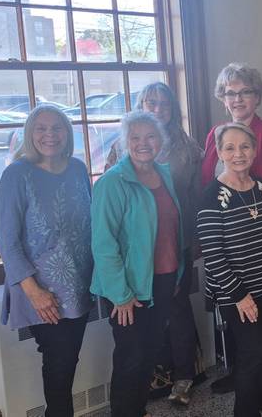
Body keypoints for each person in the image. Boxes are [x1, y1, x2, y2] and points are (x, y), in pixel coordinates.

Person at [104, 82, 203, 405]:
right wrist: (119, 290)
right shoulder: (117, 166)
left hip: (174, 255)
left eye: (164, 104)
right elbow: (105, 235)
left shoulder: (183, 153)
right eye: (150, 103)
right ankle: (136, 399)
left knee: (167, 324)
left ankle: (180, 379)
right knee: (134, 345)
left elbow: (193, 199)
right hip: (133, 266)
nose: (157, 109)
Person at [0, 104, 93, 416]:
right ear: (30, 133)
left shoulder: (78, 168)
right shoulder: (16, 175)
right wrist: (34, 291)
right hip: (39, 290)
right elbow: (7, 242)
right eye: (41, 128)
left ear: (67, 133)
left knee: (68, 360)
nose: (49, 135)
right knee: (59, 360)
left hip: (78, 285)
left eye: (57, 128)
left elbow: (89, 223)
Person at [91, 111, 185, 417]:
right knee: (130, 359)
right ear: (124, 142)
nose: (144, 143)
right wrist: (121, 295)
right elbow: (103, 245)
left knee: (149, 355)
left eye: (151, 137)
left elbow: (171, 230)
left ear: (161, 140)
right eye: (135, 137)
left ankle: (138, 410)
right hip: (128, 288)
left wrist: (177, 274)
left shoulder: (164, 174)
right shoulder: (112, 183)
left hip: (163, 280)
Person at [197, 122, 262, 417]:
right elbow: (213, 255)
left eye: (245, 146)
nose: (238, 153)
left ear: (255, 150)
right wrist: (240, 296)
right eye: (230, 147)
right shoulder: (211, 196)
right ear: (220, 153)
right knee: (254, 356)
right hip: (235, 295)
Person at [201, 63, 262, 230]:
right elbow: (207, 183)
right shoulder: (215, 133)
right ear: (223, 99)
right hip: (222, 228)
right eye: (230, 93)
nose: (238, 99)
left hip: (261, 226)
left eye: (246, 92)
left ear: (257, 97)